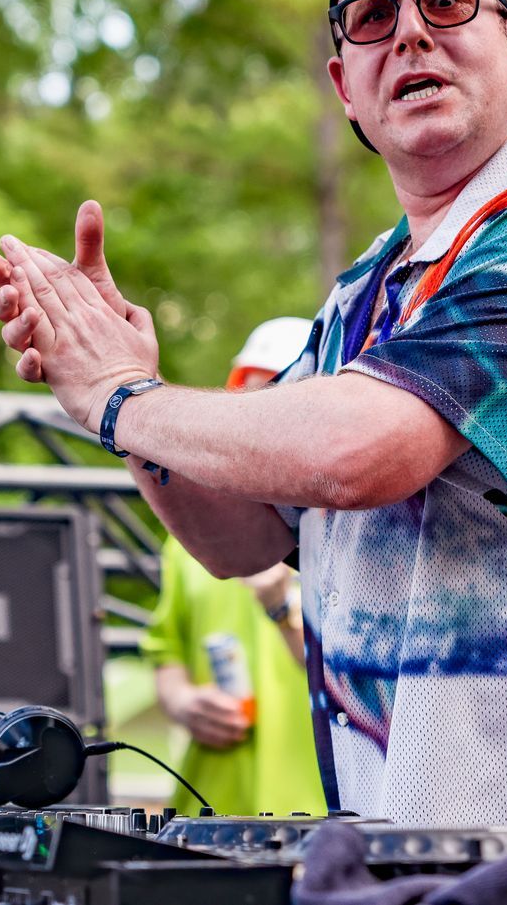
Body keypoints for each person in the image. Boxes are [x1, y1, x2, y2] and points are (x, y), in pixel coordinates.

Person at [0, 0, 507, 851]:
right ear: (345, 83)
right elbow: (242, 537)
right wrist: (127, 392)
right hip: (414, 859)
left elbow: (356, 452)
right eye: (372, 19)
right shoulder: (362, 294)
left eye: (448, 2)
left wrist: (124, 397)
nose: (409, 31)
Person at [141, 318, 325, 817]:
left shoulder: (349, 532)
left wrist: (281, 606)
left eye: (276, 399)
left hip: (318, 818)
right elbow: (165, 655)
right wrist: (183, 703)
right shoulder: (192, 538)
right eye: (248, 398)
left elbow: (354, 687)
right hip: (209, 811)